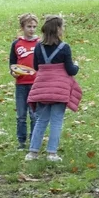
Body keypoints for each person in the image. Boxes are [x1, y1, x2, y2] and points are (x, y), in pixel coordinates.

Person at [25, 16, 81, 162]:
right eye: (62, 27)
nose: (63, 29)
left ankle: (32, 152)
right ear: (57, 30)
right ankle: (52, 153)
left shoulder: (38, 47)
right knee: (56, 121)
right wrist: (77, 66)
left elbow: (36, 67)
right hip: (59, 90)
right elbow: (70, 70)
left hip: (42, 88)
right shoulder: (65, 48)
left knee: (41, 120)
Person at [7, 14, 40, 150]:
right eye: (29, 27)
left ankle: (34, 140)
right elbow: (12, 64)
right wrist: (13, 72)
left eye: (34, 27)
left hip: (36, 84)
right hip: (21, 84)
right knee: (21, 115)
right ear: (22, 27)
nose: (31, 30)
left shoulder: (39, 44)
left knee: (34, 115)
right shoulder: (16, 44)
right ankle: (21, 141)